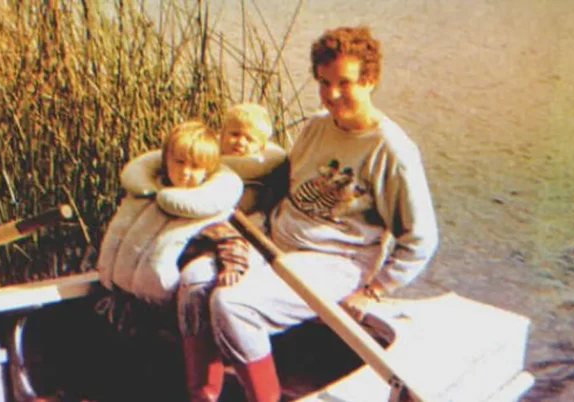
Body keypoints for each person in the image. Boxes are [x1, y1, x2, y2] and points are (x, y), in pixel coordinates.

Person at [177, 26, 440, 402]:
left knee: (232, 305)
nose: (332, 95)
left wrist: (373, 290)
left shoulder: (393, 152)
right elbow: (286, 184)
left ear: (370, 80)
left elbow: (421, 239)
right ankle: (202, 396)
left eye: (344, 83)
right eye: (324, 82)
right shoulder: (317, 126)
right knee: (192, 282)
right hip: (276, 241)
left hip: (336, 259)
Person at [94, 120, 244, 335]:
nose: (185, 172)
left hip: (163, 309)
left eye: (195, 167)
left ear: (207, 171)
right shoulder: (145, 195)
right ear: (166, 161)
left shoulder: (204, 208)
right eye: (179, 162)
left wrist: (232, 267)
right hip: (122, 296)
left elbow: (231, 240)